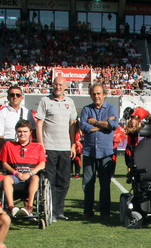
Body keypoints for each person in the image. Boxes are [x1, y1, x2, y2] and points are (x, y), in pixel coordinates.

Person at [36, 77, 78, 220]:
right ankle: (50, 210)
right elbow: (39, 124)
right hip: (49, 147)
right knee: (50, 180)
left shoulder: (70, 102)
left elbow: (72, 125)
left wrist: (73, 143)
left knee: (64, 181)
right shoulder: (45, 101)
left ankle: (59, 211)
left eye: (60, 84)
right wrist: (41, 144)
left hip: (65, 148)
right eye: (55, 84)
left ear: (66, 87)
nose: (57, 87)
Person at [79, 84, 118, 218]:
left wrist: (94, 122)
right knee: (88, 184)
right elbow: (84, 126)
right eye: (94, 94)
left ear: (104, 94)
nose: (96, 96)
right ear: (91, 95)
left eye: (99, 93)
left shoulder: (111, 108)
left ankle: (105, 212)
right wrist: (103, 125)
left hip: (105, 152)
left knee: (105, 184)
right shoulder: (86, 109)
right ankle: (88, 211)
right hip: (89, 152)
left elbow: (113, 125)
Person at [0, 120, 46, 217]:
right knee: (6, 178)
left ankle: (29, 206)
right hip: (14, 176)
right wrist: (16, 173)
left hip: (30, 176)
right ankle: (11, 207)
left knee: (36, 178)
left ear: (30, 132)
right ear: (16, 132)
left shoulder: (37, 147)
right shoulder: (8, 145)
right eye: (20, 131)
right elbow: (4, 163)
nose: (22, 134)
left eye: (25, 131)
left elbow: (42, 164)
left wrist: (30, 173)